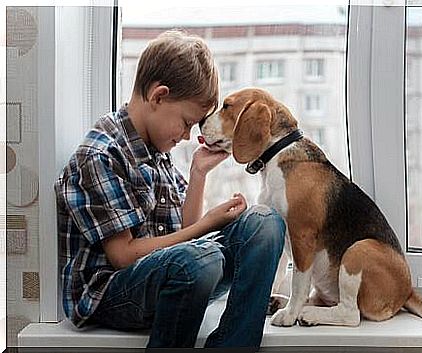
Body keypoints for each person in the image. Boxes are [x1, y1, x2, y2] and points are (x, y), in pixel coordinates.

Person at [54, 29, 286, 349]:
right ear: (158, 96)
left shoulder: (156, 150)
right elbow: (124, 256)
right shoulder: (101, 154)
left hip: (172, 274)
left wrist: (198, 173)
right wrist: (210, 224)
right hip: (111, 293)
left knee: (265, 223)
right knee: (200, 260)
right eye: (187, 122)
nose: (188, 136)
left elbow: (184, 233)